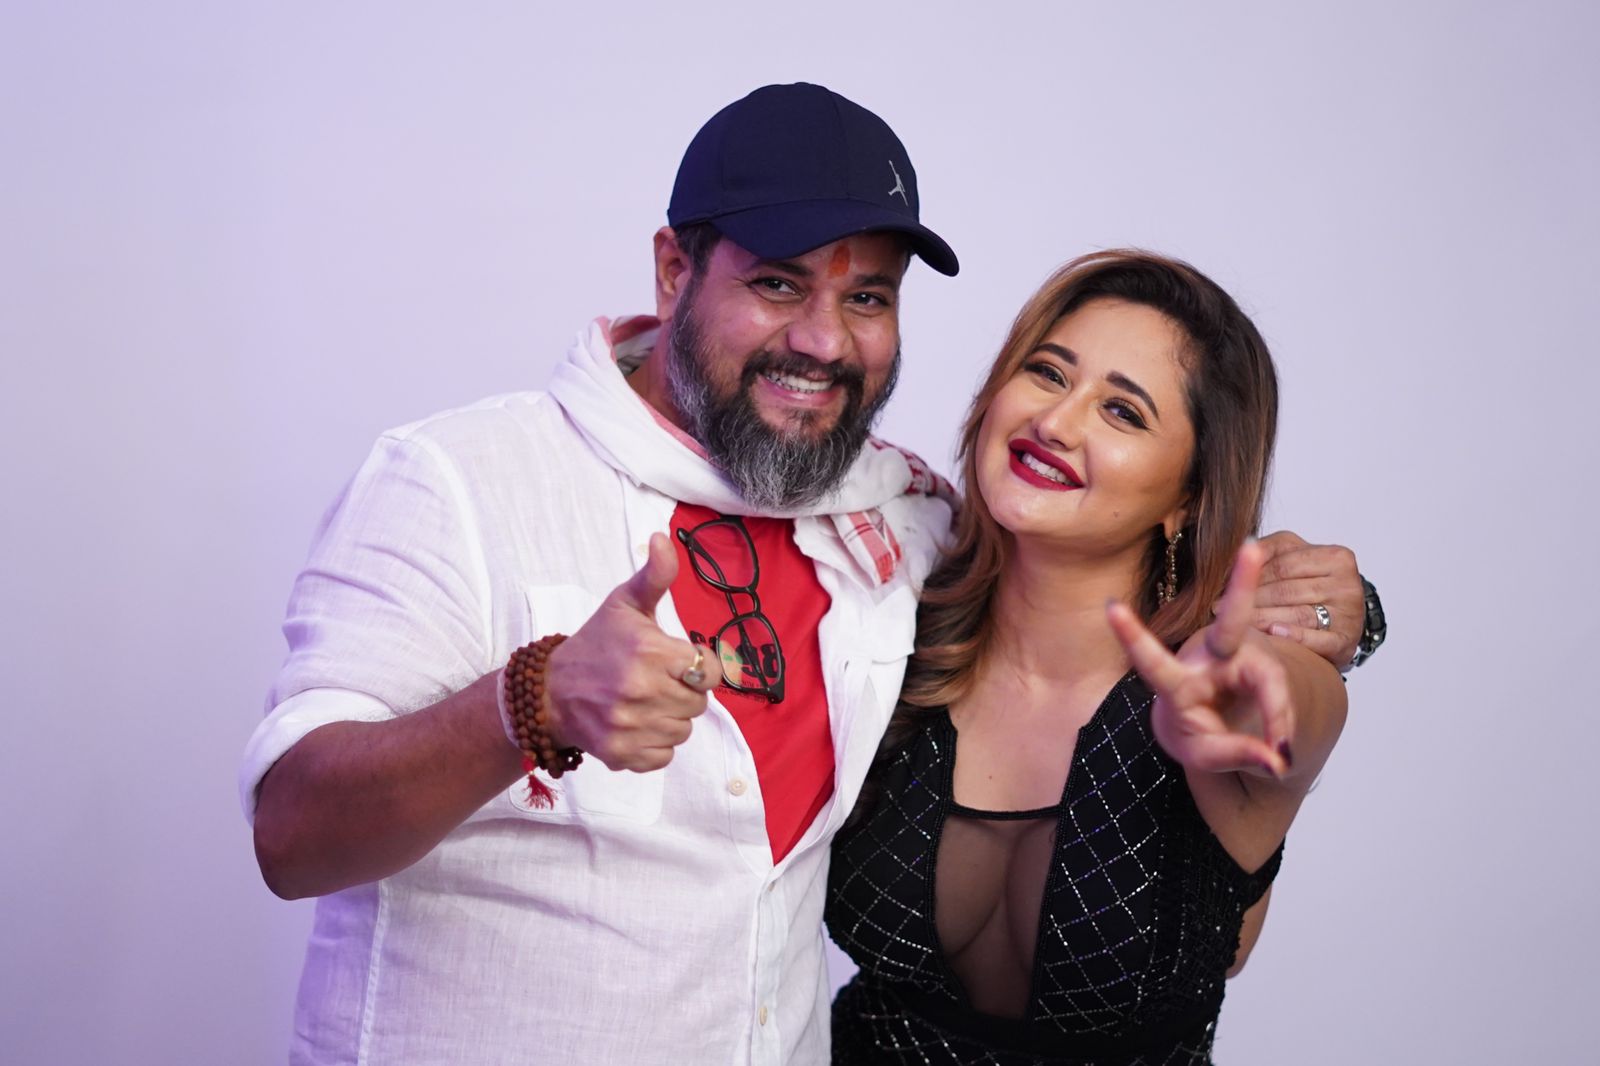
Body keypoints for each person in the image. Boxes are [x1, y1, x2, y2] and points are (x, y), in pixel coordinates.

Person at [241, 83, 1375, 1066]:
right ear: (674, 270)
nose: (826, 341)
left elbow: (1245, 682)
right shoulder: (460, 479)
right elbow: (290, 834)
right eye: (779, 284)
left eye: (867, 296)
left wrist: (1343, 617)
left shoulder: (906, 525)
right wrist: (525, 702)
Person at [826, 250, 1349, 1065]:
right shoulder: (882, 623)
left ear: (1189, 497)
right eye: (1047, 373)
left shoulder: (1218, 682)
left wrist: (1268, 688)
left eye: (1123, 412)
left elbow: (1296, 707)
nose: (1057, 423)